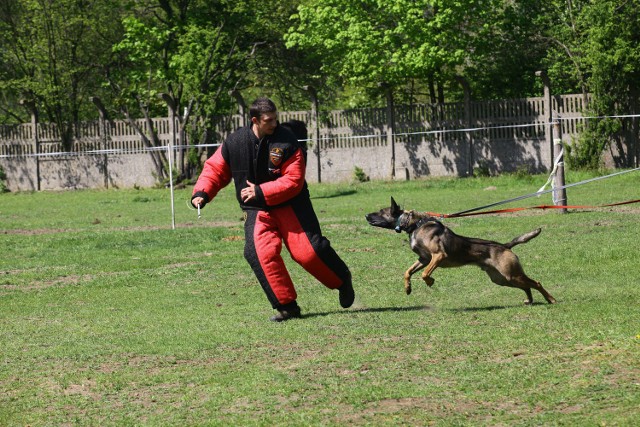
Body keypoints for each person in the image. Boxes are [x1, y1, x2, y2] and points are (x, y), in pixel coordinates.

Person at [191, 97, 354, 322]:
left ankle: (342, 279)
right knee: (259, 253)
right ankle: (287, 307)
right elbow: (215, 168)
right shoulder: (235, 142)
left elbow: (294, 181)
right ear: (255, 120)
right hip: (257, 208)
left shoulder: (287, 141)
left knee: (308, 253)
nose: (275, 124)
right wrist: (202, 193)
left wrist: (261, 191)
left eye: (276, 119)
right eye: (269, 120)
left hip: (291, 204)